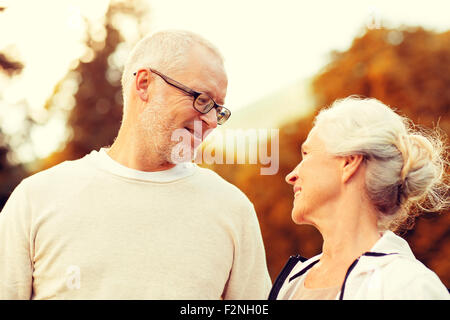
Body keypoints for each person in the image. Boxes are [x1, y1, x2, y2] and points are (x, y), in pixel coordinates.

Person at [0, 30, 272, 299]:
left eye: (219, 109)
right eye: (202, 100)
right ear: (144, 84)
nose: (212, 121)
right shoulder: (35, 200)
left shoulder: (233, 210)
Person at [269, 96, 449, 300]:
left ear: (349, 162)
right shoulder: (292, 284)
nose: (291, 175)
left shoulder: (409, 287)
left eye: (306, 154)